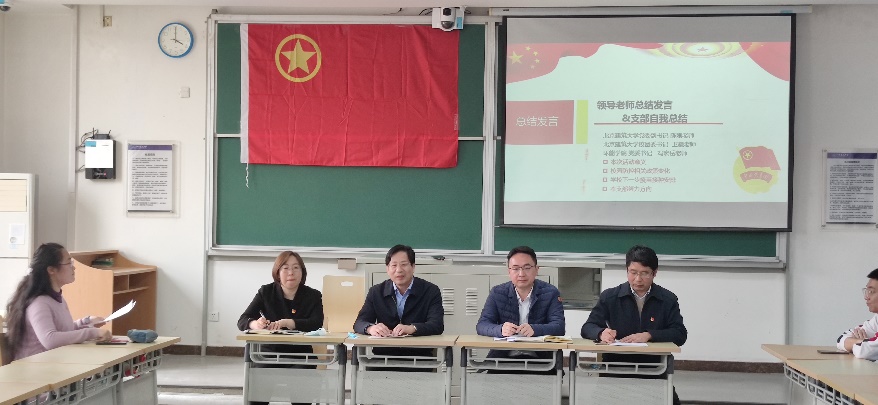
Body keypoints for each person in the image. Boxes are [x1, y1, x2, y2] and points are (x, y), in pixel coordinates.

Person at [581, 245, 687, 405]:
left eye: (644, 273)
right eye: (633, 272)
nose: (638, 279)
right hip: (615, 368)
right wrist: (601, 332)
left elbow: (679, 334)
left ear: (654, 273)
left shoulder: (667, 299)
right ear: (627, 270)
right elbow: (588, 327)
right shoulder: (610, 296)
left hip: (654, 369)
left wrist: (649, 335)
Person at [237, 250, 323, 405]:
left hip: (300, 354)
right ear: (277, 272)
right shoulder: (266, 292)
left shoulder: (313, 295)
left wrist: (290, 323)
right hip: (268, 353)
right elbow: (243, 320)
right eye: (285, 268)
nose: (291, 273)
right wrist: (256, 324)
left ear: (302, 272)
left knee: (303, 379)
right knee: (259, 379)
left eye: (296, 268)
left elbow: (317, 323)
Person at [4, 243, 112, 362]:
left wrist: (87, 321)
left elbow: (65, 330)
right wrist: (92, 333)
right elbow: (50, 339)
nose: (73, 268)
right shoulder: (39, 303)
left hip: (53, 364)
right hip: (35, 369)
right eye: (69, 263)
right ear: (51, 270)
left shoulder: (56, 298)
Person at [476, 246, 565, 365]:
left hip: (542, 359)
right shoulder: (497, 292)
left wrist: (535, 329)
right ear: (509, 271)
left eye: (527, 268)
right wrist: (500, 329)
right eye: (516, 269)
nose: (521, 274)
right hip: (503, 357)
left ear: (537, 270)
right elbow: (482, 325)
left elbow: (559, 327)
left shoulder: (550, 293)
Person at [353, 244, 444, 358]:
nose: (399, 270)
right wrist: (371, 328)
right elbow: (359, 323)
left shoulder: (430, 291)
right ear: (387, 269)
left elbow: (437, 325)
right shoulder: (376, 292)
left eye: (404, 264)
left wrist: (412, 328)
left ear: (413, 266)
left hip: (420, 357)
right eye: (394, 265)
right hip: (383, 357)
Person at [835, 268, 878, 360]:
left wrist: (862, 343)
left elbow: (864, 352)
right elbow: (840, 339)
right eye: (867, 291)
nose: (866, 297)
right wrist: (861, 341)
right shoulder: (876, 319)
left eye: (871, 292)